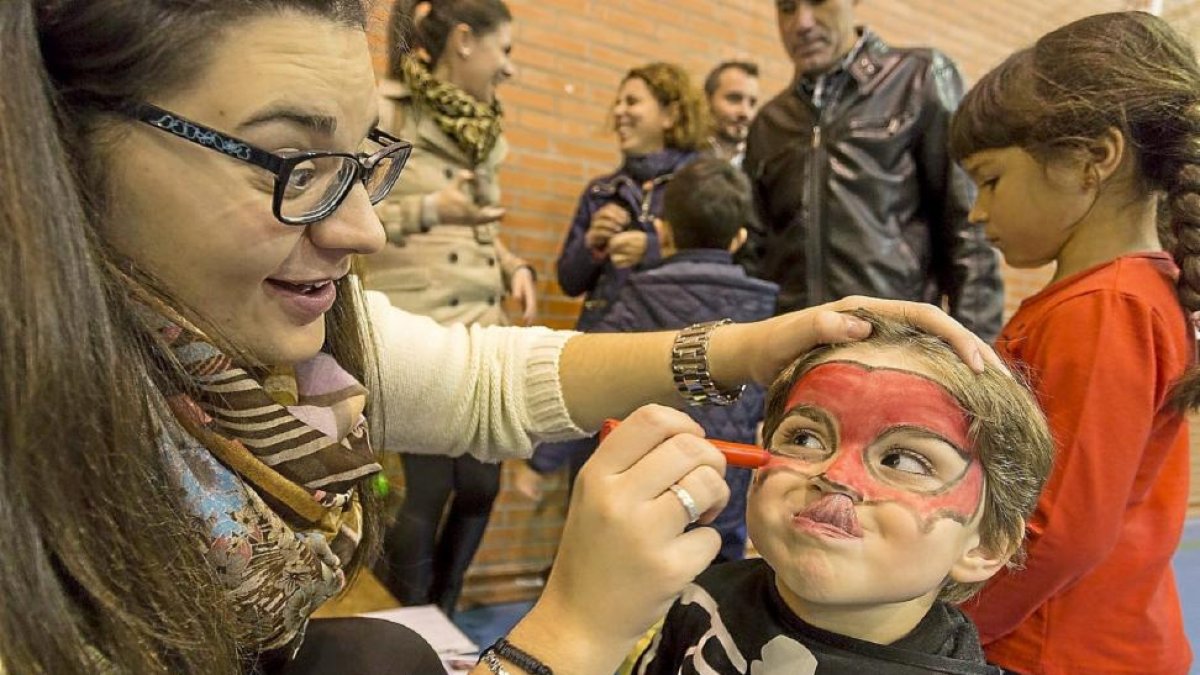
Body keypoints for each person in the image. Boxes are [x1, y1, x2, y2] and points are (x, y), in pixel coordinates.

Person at [0, 0, 1005, 673]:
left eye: (363, 164)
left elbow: (477, 376)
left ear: (991, 540)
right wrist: (572, 631)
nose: (366, 230)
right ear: (60, 136)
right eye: (288, 161)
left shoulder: (250, 344)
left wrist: (740, 348)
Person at [947, 11, 1199, 674]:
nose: (977, 212)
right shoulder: (1117, 296)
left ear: (1095, 158)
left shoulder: (1107, 308)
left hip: (1057, 651)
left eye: (991, 180)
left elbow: (1060, 534)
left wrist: (939, 626)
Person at [633, 311, 1054, 674]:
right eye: (805, 439)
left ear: (987, 545)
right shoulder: (699, 597)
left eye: (904, 461)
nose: (835, 476)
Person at [515, 157, 778, 565]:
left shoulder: (638, 297)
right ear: (739, 238)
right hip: (724, 494)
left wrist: (539, 462)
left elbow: (587, 377)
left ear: (662, 231)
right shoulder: (765, 311)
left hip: (650, 495)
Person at [366, 0, 535, 618]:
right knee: (423, 492)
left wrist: (515, 266)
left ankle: (445, 618)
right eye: (506, 49)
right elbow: (340, 213)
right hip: (414, 328)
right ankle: (402, 622)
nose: (510, 69)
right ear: (464, 40)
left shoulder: (486, 130)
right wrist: (429, 209)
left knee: (481, 485)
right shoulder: (385, 113)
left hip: (478, 333)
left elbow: (480, 231)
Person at [741, 0, 1004, 341]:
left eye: (818, 2)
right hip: (797, 357)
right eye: (787, 8)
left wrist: (974, 364)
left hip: (896, 348)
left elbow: (967, 228)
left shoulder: (919, 78)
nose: (802, 23)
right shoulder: (769, 123)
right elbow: (754, 254)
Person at [556, 61, 708, 332]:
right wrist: (591, 244)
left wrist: (651, 249)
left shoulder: (701, 184)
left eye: (632, 102)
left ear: (670, 116)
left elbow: (715, 266)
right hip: (603, 342)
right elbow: (569, 282)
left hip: (670, 341)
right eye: (617, 102)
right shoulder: (600, 191)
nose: (618, 111)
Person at [702, 60, 760, 168]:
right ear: (707, 101)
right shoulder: (681, 158)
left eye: (752, 103)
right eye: (734, 99)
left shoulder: (762, 168)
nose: (745, 113)